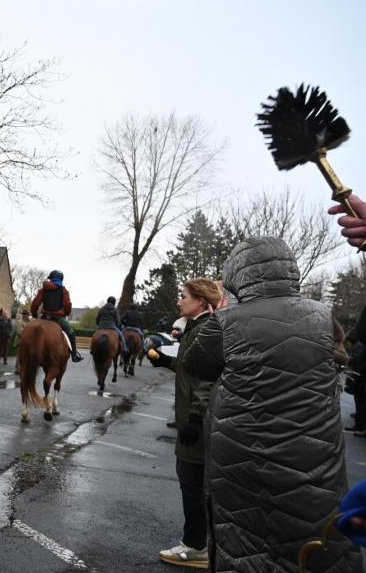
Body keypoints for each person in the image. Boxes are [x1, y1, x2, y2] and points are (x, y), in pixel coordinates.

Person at [182, 237, 360, 572]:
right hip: (315, 456)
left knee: (247, 540)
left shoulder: (226, 322)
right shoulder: (322, 315)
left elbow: (194, 364)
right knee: (316, 539)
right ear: (289, 271)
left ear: (237, 275)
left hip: (246, 461)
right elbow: (339, 355)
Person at [149, 277, 222, 570]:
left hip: (198, 421)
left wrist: (194, 417)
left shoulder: (206, 329)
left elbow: (206, 377)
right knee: (190, 480)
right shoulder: (195, 328)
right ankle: (199, 543)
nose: (179, 301)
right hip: (194, 417)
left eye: (184, 296)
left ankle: (196, 547)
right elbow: (190, 366)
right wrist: (166, 363)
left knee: (192, 483)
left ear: (201, 302)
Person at [30, 270, 84, 362]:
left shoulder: (43, 290)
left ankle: (22, 346)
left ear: (50, 279)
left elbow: (35, 304)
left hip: (43, 317)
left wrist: (34, 314)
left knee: (29, 329)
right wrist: (65, 313)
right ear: (61, 280)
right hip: (57, 319)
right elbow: (67, 305)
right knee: (71, 332)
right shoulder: (64, 291)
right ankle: (74, 354)